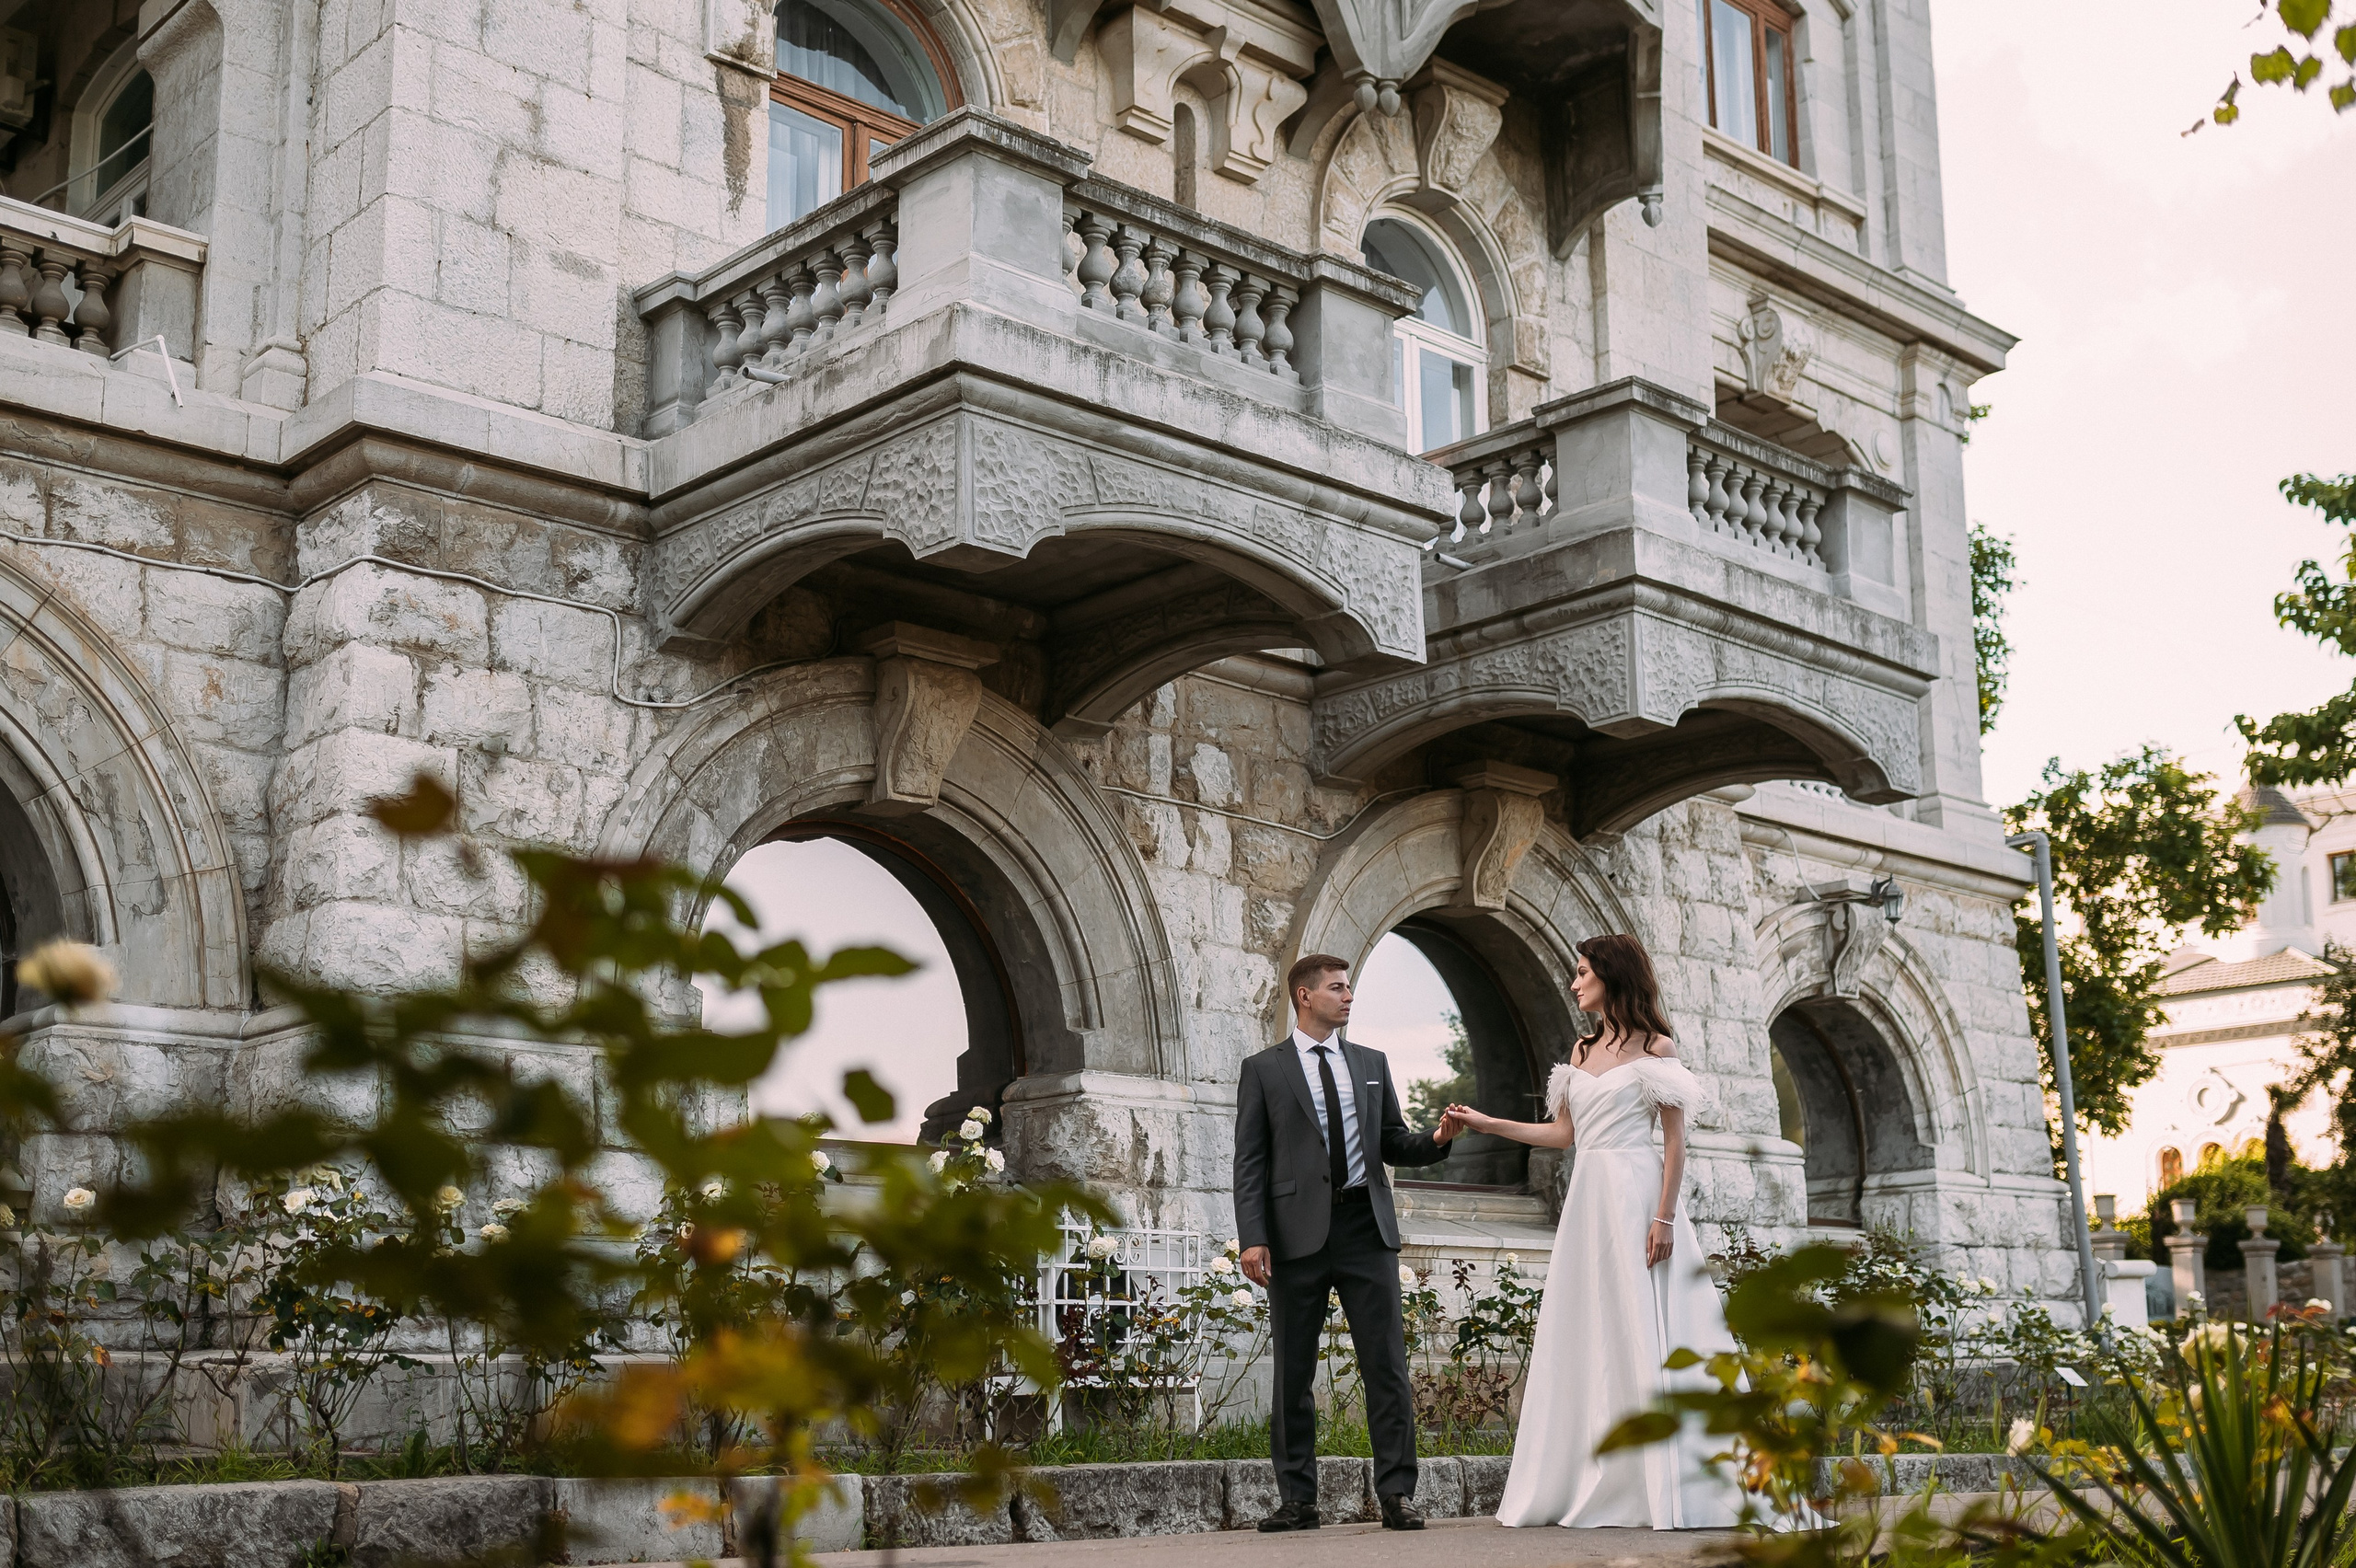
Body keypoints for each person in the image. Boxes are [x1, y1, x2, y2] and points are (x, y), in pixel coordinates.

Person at [1438, 932, 1740, 1530]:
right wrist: (1486, 1122)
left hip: (1638, 1195)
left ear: (1611, 974)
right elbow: (1563, 1137)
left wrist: (1662, 1217)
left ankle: (1667, 1483)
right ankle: (1593, 1474)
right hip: (1589, 1201)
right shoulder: (1579, 1052)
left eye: (1582, 972)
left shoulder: (1658, 1047)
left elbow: (1676, 1143)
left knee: (1644, 1322)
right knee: (1593, 1327)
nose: (1574, 983)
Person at [1232, 952, 1460, 1532]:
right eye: (1337, 988)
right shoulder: (1264, 1069)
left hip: (1365, 1228)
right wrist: (1253, 1237)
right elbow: (1250, 1162)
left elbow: (1393, 1142)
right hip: (1294, 1237)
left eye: (1350, 987)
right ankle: (1298, 1501)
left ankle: (1397, 1496)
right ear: (1304, 997)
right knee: (1293, 1373)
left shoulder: (1372, 1063)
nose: (1349, 996)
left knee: (1386, 1365)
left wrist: (1436, 1139)